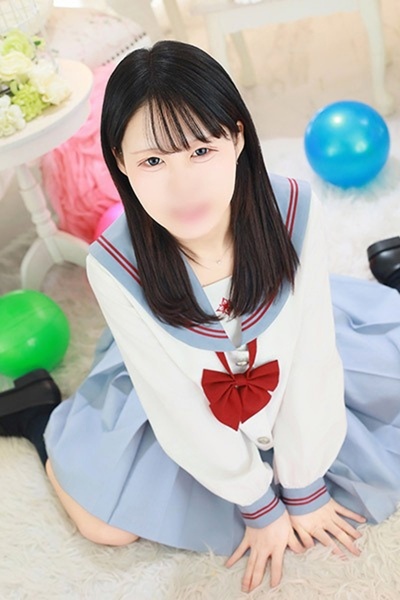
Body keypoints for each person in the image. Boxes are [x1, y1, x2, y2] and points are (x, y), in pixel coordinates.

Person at [1, 40, 400, 594]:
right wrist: (258, 503)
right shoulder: (113, 265)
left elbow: (312, 357)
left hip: (295, 358)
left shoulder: (293, 208)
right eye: (153, 161)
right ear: (121, 163)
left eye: (200, 150)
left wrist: (304, 485)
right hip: (178, 388)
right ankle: (36, 414)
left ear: (236, 138)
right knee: (104, 527)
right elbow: (174, 404)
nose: (182, 186)